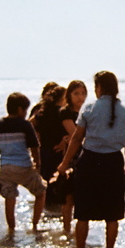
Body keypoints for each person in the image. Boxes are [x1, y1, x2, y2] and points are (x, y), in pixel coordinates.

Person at [55, 71, 125, 248]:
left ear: (99, 87)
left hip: (90, 161)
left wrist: (64, 163)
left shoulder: (90, 108)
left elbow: (77, 139)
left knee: (83, 212)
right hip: (114, 162)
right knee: (113, 214)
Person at [0, 92, 47, 233]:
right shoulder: (25, 125)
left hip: (5, 168)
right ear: (20, 109)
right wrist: (37, 166)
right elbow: (34, 147)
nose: (26, 113)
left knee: (9, 197)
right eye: (25, 110)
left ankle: (11, 228)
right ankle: (35, 225)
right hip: (24, 167)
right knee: (41, 192)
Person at [56, 79, 87, 234]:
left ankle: (78, 230)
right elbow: (75, 134)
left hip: (83, 157)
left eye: (83, 93)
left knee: (80, 196)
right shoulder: (66, 112)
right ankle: (67, 230)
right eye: (76, 93)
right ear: (69, 95)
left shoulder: (86, 111)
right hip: (69, 157)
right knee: (68, 197)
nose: (80, 97)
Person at [32, 84, 67, 208]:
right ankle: (57, 217)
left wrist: (36, 138)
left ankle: (45, 213)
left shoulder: (43, 112)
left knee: (45, 186)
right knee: (60, 187)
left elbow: (29, 124)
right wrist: (65, 141)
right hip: (59, 153)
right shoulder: (63, 112)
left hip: (44, 152)